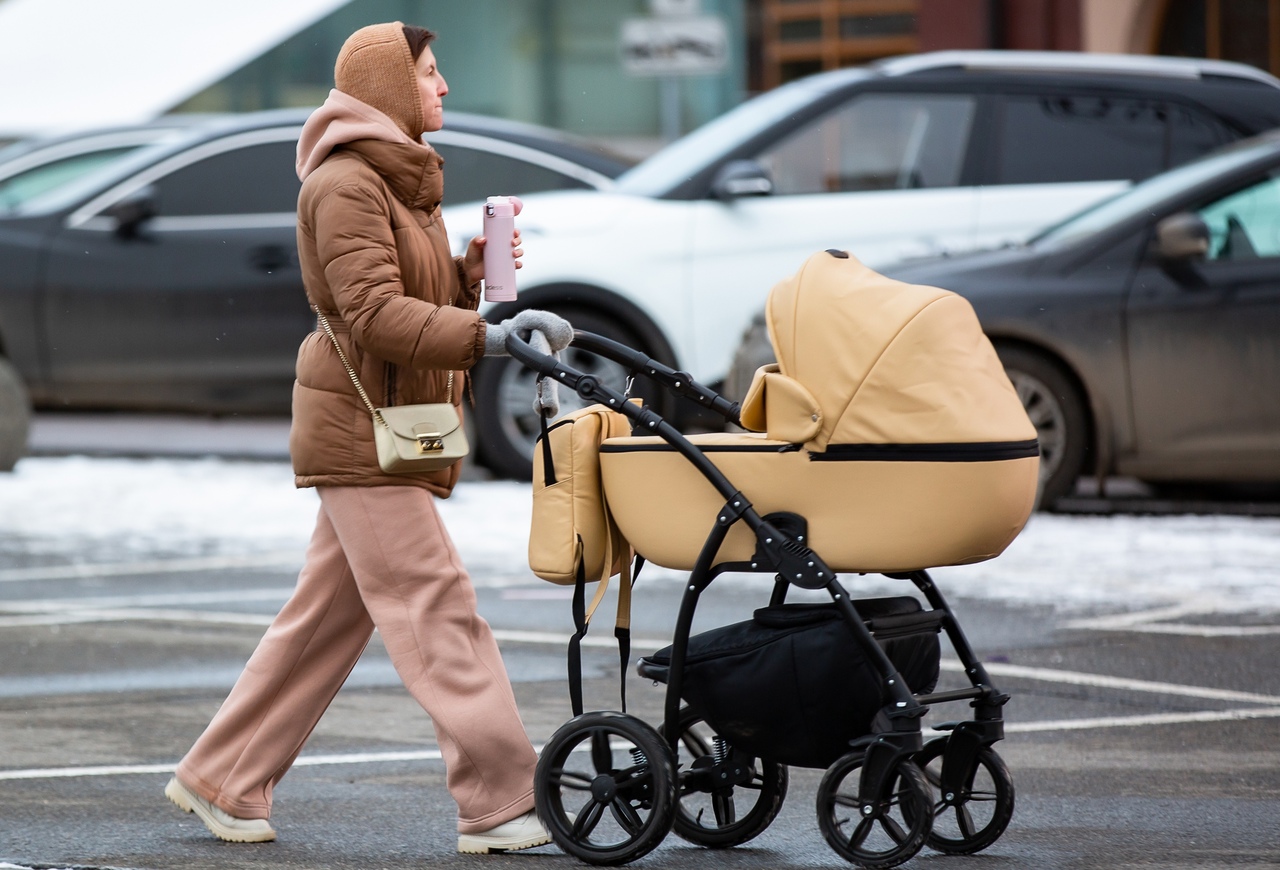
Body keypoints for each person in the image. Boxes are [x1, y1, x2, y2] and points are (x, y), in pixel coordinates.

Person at [164, 22, 572, 855]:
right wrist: (490, 339)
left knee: (325, 621)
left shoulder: (396, 182)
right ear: (389, 87)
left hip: (381, 428)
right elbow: (374, 317)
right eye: (429, 73)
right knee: (437, 606)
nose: (445, 85)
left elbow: (401, 295)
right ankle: (498, 798)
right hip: (362, 432)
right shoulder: (348, 184)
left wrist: (466, 276)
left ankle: (225, 780)